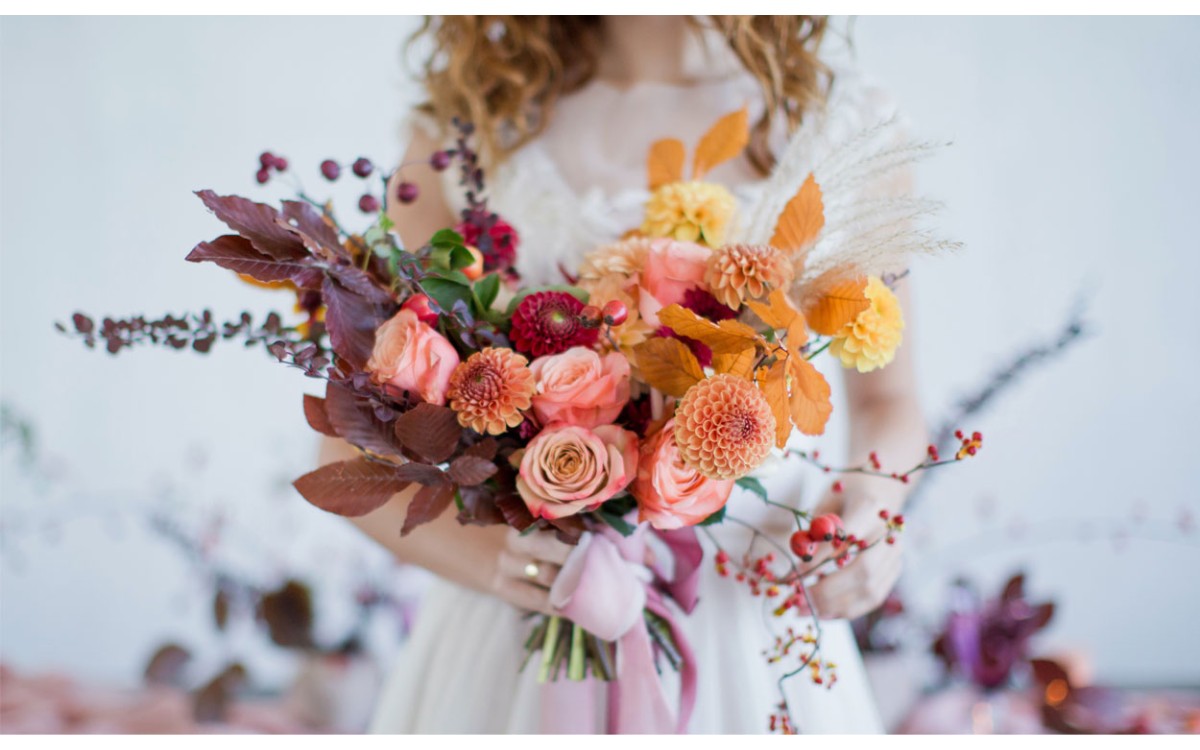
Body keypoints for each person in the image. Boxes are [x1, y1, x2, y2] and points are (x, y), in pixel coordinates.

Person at [321, 15, 929, 733]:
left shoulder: (847, 126)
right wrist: (502, 563)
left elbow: (888, 397)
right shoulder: (467, 130)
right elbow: (349, 452)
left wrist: (870, 516)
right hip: (526, 623)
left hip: (754, 610)